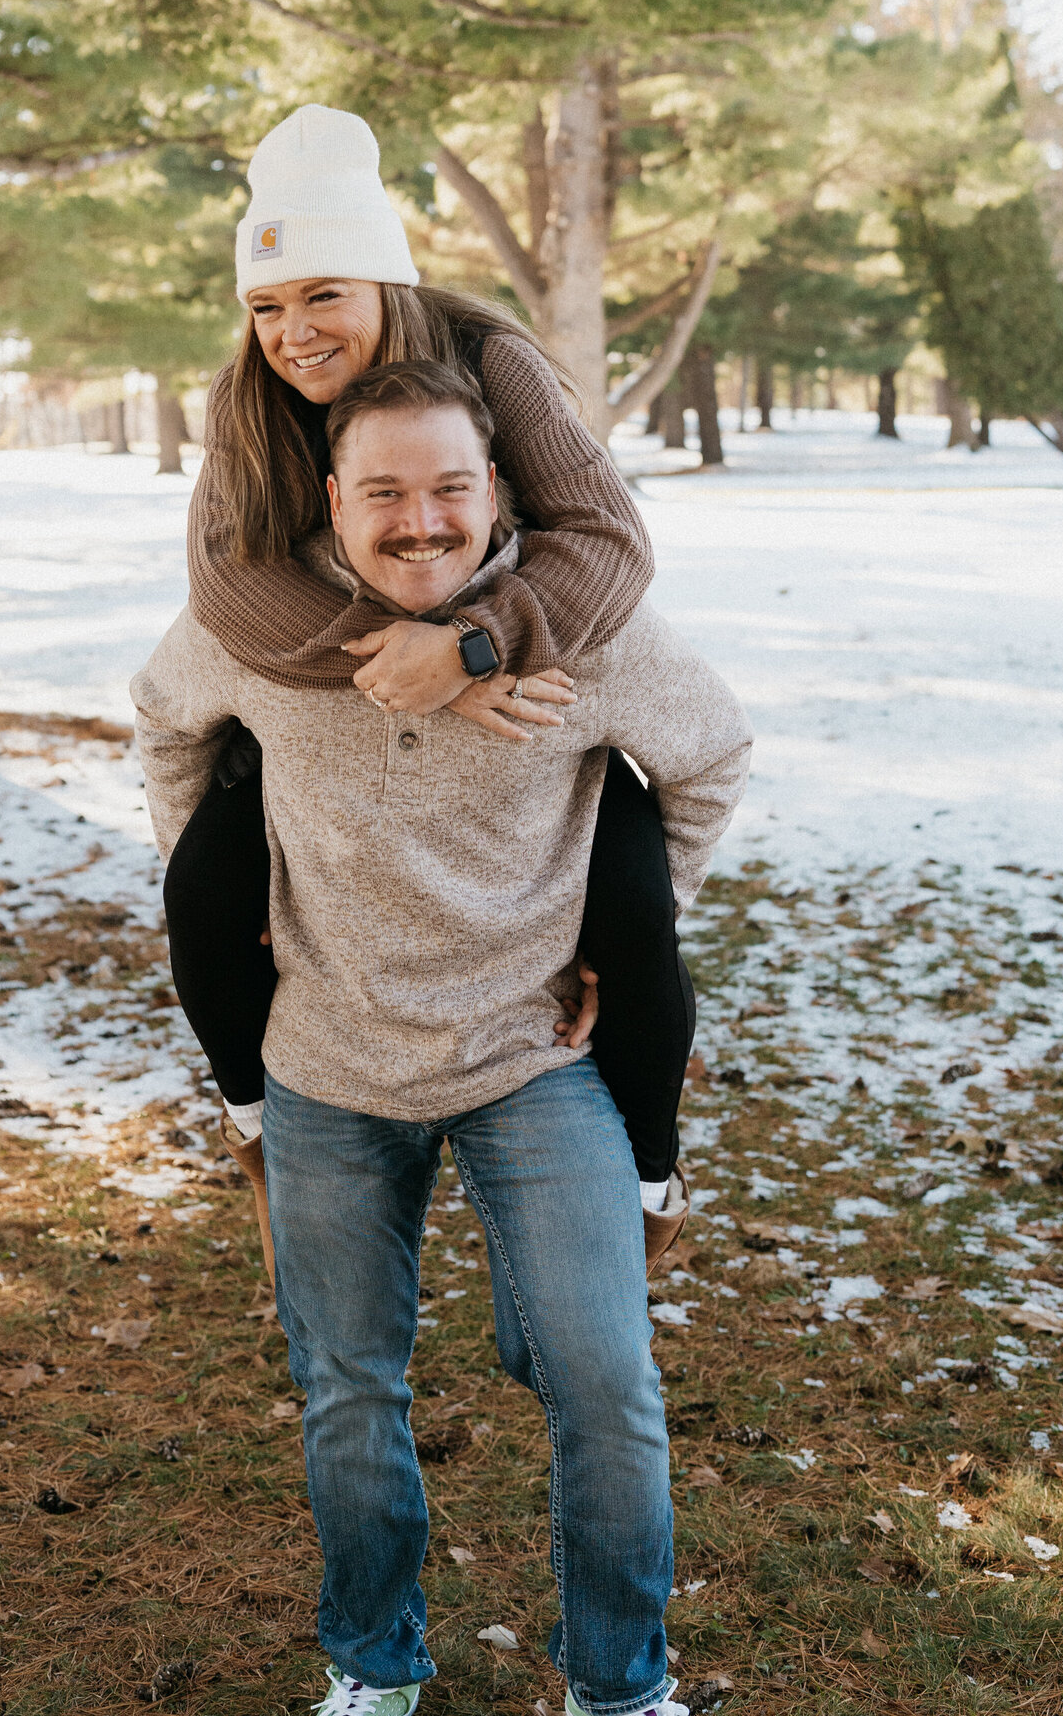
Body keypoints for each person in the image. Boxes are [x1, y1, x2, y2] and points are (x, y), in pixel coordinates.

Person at [132, 358, 752, 1716]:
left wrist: (624, 931)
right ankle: (374, 1665)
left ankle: (620, 1688)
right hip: (331, 1071)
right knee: (349, 1389)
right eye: (386, 493)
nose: (422, 522)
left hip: (533, 1061)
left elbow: (709, 754)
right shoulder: (269, 630)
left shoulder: (579, 629)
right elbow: (167, 721)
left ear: (499, 494)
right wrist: (218, 887)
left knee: (606, 1382)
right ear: (334, 502)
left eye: (452, 489)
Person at [164, 102, 698, 1237]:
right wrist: (418, 668)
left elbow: (611, 543)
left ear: (385, 290)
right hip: (331, 715)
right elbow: (227, 589)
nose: (292, 332)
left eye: (322, 295)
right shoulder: (246, 404)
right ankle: (255, 1120)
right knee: (205, 889)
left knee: (636, 912)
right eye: (265, 305)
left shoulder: (491, 363)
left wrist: (473, 642)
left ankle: (650, 1179)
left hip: (534, 697)